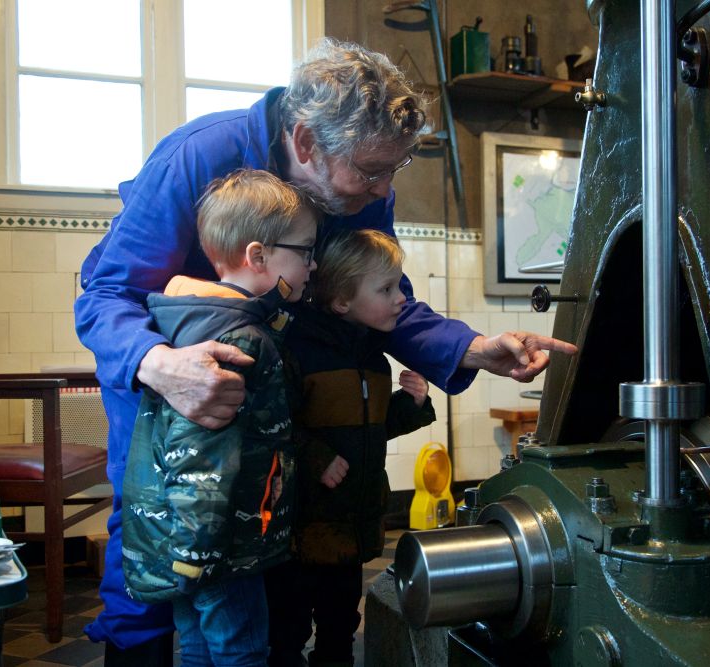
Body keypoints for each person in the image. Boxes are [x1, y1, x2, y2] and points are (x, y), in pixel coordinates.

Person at [74, 37, 577, 663]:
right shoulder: (197, 156)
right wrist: (162, 366)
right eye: (371, 171)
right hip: (164, 388)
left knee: (258, 568)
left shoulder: (361, 188)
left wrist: (473, 347)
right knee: (151, 555)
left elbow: (378, 300)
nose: (383, 189)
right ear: (307, 143)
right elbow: (106, 296)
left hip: (273, 394)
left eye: (394, 170)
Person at [120, 169, 317, 666]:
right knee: (241, 651)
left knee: (196, 648)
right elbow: (199, 459)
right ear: (258, 256)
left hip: (191, 540)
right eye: (306, 251)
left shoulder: (192, 322)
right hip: (220, 546)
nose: (314, 265)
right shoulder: (238, 340)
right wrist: (199, 552)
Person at [267, 230, 436, 666]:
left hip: (351, 523)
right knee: (288, 629)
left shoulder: (375, 361)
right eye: (386, 289)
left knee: (341, 624)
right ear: (342, 301)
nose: (401, 298)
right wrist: (316, 459)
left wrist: (410, 405)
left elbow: (372, 430)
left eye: (398, 285)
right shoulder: (301, 353)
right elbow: (276, 425)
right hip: (302, 530)